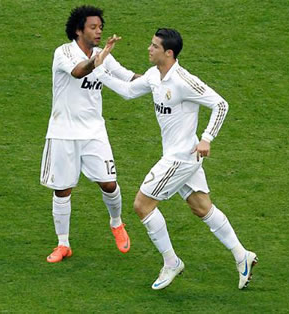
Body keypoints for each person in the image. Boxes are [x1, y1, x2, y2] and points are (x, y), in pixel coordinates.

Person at [93, 29, 257, 289]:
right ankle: (242, 255)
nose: (149, 48)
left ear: (168, 53)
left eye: (154, 46)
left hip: (180, 158)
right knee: (202, 207)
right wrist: (101, 68)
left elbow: (220, 104)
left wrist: (207, 138)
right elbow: (127, 91)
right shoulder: (154, 76)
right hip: (180, 156)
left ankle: (171, 262)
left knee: (142, 205)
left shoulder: (182, 80)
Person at [40, 6, 139, 263]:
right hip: (63, 132)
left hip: (94, 132)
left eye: (100, 28)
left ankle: (116, 223)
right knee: (62, 190)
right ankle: (63, 244)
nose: (98, 32)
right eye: (93, 27)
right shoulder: (63, 52)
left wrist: (161, 78)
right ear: (78, 30)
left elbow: (128, 78)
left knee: (109, 183)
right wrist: (100, 58)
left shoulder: (102, 54)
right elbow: (78, 71)